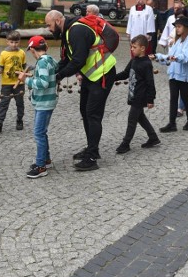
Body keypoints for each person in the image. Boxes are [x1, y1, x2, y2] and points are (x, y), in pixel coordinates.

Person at [45, 9, 117, 171]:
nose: (48, 29)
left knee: (93, 114)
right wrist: (53, 72)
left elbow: (77, 61)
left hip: (103, 74)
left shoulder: (76, 31)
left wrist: (59, 76)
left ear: (57, 21)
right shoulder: (68, 32)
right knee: (84, 111)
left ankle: (92, 157)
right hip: (91, 76)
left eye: (49, 25)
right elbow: (67, 58)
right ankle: (92, 148)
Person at [18, 35, 58, 178]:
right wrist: (32, 76)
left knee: (38, 133)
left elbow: (43, 83)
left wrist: (26, 80)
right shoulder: (50, 60)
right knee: (42, 132)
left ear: (33, 50)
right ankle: (46, 160)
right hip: (48, 101)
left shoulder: (41, 62)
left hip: (44, 102)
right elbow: (50, 75)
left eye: (31, 52)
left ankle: (41, 167)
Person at [113, 35, 160, 154]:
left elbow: (150, 83)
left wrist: (150, 99)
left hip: (140, 97)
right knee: (141, 117)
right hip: (133, 94)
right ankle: (153, 137)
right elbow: (125, 73)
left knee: (132, 120)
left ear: (143, 48)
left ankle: (125, 144)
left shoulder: (146, 64)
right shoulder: (133, 60)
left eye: (134, 47)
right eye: (131, 47)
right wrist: (111, 78)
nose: (132, 49)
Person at [155, 15, 188, 132]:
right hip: (173, 73)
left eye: (179, 26)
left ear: (186, 27)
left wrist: (174, 58)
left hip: (183, 74)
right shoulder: (177, 41)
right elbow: (169, 57)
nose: (177, 29)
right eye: (176, 27)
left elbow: (185, 57)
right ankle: (172, 124)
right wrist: (157, 57)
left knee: (184, 97)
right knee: (173, 98)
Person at [0, 30, 27, 132]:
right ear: (7, 42)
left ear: (19, 42)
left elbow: (24, 66)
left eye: (16, 42)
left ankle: (19, 120)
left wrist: (28, 69)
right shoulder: (4, 53)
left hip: (19, 83)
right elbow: (0, 65)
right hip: (6, 83)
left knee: (20, 103)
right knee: (4, 103)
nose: (14, 44)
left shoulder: (22, 53)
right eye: (12, 42)